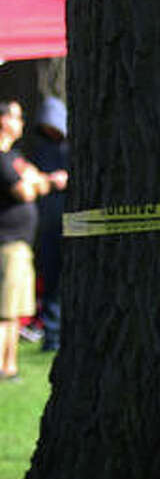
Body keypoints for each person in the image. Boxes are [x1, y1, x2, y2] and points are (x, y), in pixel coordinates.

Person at [1, 100, 65, 382]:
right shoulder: (2, 159)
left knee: (16, 311)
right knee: (4, 310)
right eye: (17, 117)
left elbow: (34, 178)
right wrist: (44, 183)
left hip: (21, 244)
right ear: (3, 121)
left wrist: (38, 181)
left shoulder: (15, 156)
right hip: (7, 244)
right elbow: (25, 191)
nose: (22, 123)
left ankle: (9, 367)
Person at [26, 96, 69, 352]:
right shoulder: (40, 150)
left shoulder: (72, 148)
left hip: (70, 221)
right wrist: (49, 180)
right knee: (51, 281)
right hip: (48, 224)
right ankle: (52, 337)